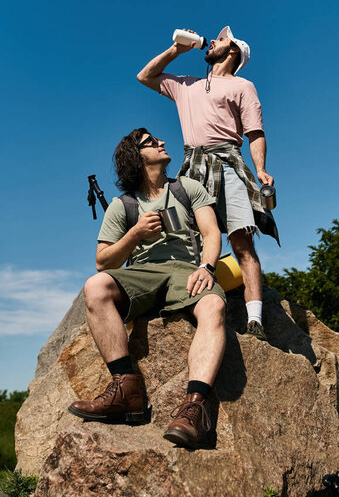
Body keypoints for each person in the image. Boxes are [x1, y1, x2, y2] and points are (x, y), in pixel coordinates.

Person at [68, 128, 227, 449]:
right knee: (96, 286)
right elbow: (103, 261)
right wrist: (135, 234)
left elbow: (211, 233)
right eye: (152, 143)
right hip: (142, 274)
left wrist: (207, 267)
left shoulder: (187, 188)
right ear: (137, 158)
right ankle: (126, 389)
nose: (162, 142)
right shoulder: (122, 205)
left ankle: (193, 407)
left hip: (187, 271)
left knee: (214, 307)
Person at [137, 26, 279, 341]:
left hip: (228, 163)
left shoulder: (243, 85)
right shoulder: (187, 84)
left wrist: (261, 169)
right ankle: (191, 302)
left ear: (234, 52)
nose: (212, 40)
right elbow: (145, 76)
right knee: (180, 235)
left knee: (242, 239)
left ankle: (255, 319)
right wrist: (176, 50)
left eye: (222, 39)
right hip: (192, 166)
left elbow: (254, 131)